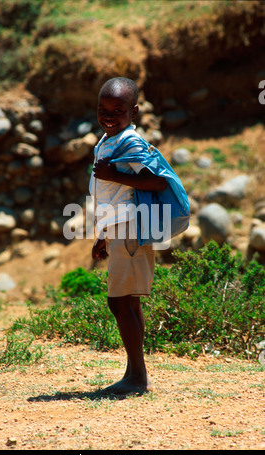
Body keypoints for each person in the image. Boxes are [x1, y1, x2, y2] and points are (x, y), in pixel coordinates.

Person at [89, 77, 167, 394]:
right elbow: (114, 194)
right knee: (128, 303)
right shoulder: (110, 138)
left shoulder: (131, 143)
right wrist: (103, 235)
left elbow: (156, 182)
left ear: (133, 111)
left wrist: (114, 174)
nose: (109, 115)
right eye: (103, 109)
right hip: (119, 230)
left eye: (118, 110)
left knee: (119, 303)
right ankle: (134, 372)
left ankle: (137, 378)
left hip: (132, 231)